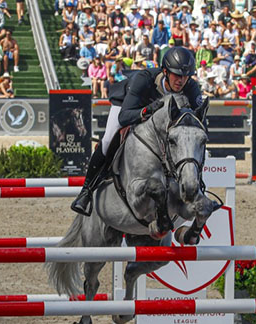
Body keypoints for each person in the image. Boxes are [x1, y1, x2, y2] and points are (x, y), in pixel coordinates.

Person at [69, 46, 206, 216]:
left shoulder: (191, 88)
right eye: (177, 75)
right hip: (129, 106)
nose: (181, 80)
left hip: (161, 118)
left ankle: (198, 189)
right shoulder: (144, 79)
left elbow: (199, 122)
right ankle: (86, 191)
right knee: (108, 140)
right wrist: (147, 110)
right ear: (165, 71)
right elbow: (124, 117)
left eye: (186, 76)